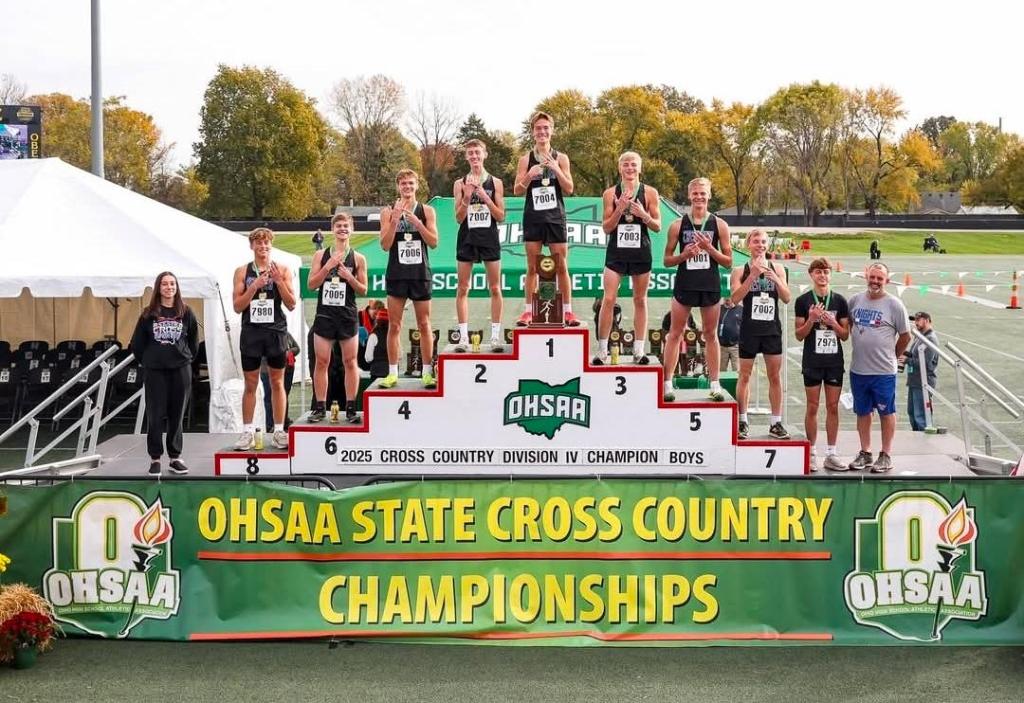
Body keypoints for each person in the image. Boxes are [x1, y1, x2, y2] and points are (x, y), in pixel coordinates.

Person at [662, 177, 733, 402]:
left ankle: (715, 384)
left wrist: (709, 248)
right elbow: (666, 260)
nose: (699, 197)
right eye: (695, 193)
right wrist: (684, 255)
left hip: (709, 286)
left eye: (703, 193)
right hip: (685, 284)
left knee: (711, 335)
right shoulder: (677, 225)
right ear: (689, 195)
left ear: (709, 195)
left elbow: (728, 261)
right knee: (675, 333)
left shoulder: (719, 225)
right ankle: (667, 384)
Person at [593, 151, 661, 365]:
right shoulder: (610, 193)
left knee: (640, 300)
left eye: (633, 165)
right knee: (609, 299)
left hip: (640, 252)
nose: (630, 168)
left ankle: (639, 351)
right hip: (616, 253)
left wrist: (643, 215)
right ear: (619, 168)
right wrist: (619, 209)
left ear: (640, 168)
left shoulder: (649, 193)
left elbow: (657, 226)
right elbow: (606, 227)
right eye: (626, 165)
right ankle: (602, 350)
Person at [231, 227, 297, 450]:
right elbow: (237, 306)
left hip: (275, 332)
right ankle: (247, 432)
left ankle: (279, 430)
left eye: (266, 243)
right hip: (251, 333)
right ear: (252, 246)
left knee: (277, 382)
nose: (263, 247)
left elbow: (291, 304)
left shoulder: (283, 270)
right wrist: (254, 287)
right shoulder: (242, 272)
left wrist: (278, 281)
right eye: (258, 243)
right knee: (250, 384)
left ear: (271, 246)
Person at [514, 111, 580, 327]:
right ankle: (527, 312)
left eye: (545, 128)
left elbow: (569, 189)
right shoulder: (526, 159)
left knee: (561, 266)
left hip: (555, 218)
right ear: (533, 132)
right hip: (533, 217)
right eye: (538, 128)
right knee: (532, 266)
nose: (542, 132)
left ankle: (568, 312)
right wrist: (529, 175)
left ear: (551, 130)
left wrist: (556, 169)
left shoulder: (561, 158)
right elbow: (516, 190)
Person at [130, 271, 199, 475]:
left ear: (177, 288)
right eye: (165, 284)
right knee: (155, 414)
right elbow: (137, 345)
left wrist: (185, 358)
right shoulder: (148, 314)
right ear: (158, 288)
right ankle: (155, 458)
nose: (169, 287)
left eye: (172, 284)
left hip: (180, 370)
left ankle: (175, 457)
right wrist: (150, 360)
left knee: (177, 415)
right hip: (155, 372)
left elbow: (194, 341)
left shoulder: (187, 312)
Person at [847, 262, 911, 473]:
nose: (875, 281)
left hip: (883, 372)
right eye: (872, 277)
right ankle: (865, 453)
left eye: (880, 279)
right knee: (863, 412)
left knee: (886, 412)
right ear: (866, 276)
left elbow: (905, 335)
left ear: (887, 281)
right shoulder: (855, 300)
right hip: (859, 369)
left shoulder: (894, 305)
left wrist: (893, 355)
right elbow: (848, 327)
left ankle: (886, 454)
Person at [379, 169, 439, 389]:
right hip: (397, 274)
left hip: (420, 274)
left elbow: (433, 242)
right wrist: (395, 220)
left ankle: (426, 372)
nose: (407, 187)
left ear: (417, 185)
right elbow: (385, 245)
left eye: (410, 183)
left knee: (424, 324)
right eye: (403, 183)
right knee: (394, 325)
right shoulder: (387, 212)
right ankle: (393, 373)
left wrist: (418, 223)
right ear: (398, 187)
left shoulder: (427, 210)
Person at [306, 213, 368, 423]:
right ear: (332, 230)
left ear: (351, 230)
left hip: (347, 316)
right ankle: (320, 407)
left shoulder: (358, 258)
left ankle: (351, 407)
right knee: (322, 362)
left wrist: (349, 277)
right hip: (325, 315)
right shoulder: (320, 256)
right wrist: (328, 266)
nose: (342, 229)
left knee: (350, 361)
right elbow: (311, 285)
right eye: (339, 226)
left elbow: (363, 290)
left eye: (346, 226)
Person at [730, 229, 791, 439]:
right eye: (756, 241)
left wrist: (776, 280)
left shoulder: (779, 268)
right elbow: (735, 298)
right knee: (744, 376)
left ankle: (775, 423)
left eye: (763, 242)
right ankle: (743, 421)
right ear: (749, 244)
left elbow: (786, 298)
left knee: (775, 376)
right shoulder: (739, 270)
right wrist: (752, 277)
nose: (760, 245)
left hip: (771, 330)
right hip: (749, 329)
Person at [794, 257, 851, 471]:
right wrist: (811, 319)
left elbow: (845, 335)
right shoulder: (803, 301)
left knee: (833, 407)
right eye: (818, 272)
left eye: (826, 272)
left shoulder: (840, 301)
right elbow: (799, 335)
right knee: (812, 406)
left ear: (830, 274)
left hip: (834, 361)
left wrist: (832, 322)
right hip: (812, 361)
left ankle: (832, 453)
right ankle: (811, 452)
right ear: (811, 275)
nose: (822, 275)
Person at [454, 139, 507, 352]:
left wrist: (485, 197)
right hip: (467, 237)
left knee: (495, 287)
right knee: (463, 287)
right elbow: (458, 218)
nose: (474, 156)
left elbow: (501, 215)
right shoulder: (460, 183)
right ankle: (464, 338)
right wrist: (467, 197)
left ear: (485, 154)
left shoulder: (496, 183)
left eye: (477, 152)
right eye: (470, 153)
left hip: (489, 237)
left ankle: (495, 337)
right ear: (466, 157)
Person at [902, 311, 939, 431]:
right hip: (915, 380)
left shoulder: (930, 339)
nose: (916, 323)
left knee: (921, 416)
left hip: (923, 382)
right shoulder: (920, 336)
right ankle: (917, 439)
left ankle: (925, 443)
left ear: (927, 320)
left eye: (919, 320)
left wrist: (907, 360)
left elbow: (925, 363)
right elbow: (915, 355)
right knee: (912, 413)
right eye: (915, 320)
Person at [260, 333, 298, 431]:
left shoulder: (286, 334)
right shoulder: (262, 336)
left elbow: (297, 348)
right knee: (269, 398)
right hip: (268, 371)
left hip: (287, 369)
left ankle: (284, 421)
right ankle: (270, 425)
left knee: (284, 395)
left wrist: (289, 352)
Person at [360, 307, 390, 380]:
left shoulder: (373, 335)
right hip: (391, 373)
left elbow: (368, 357)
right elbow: (399, 356)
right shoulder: (394, 336)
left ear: (377, 321)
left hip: (376, 373)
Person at [717, 299, 742, 372]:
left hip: (736, 347)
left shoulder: (741, 310)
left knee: (737, 371)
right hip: (721, 347)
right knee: (721, 371)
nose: (727, 298)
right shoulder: (719, 309)